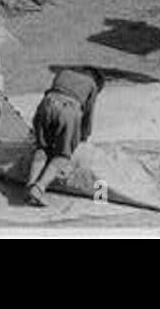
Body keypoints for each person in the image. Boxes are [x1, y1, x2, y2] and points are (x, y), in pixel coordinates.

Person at [24, 66, 105, 207]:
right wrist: (82, 138)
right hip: (69, 109)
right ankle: (39, 188)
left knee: (42, 148)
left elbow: (54, 94)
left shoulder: (64, 73)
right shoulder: (91, 85)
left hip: (46, 104)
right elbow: (87, 117)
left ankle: (30, 184)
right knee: (62, 155)